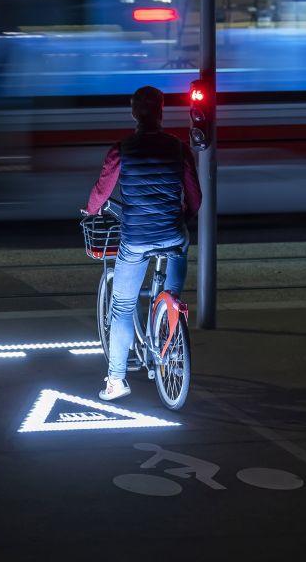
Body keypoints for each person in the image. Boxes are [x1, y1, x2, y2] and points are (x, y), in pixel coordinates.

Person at [84, 86, 201, 401]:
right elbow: (195, 197)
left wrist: (90, 211)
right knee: (172, 293)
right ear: (162, 112)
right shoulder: (179, 148)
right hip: (173, 237)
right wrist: (184, 217)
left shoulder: (121, 150)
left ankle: (116, 380)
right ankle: (170, 340)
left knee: (122, 308)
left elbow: (102, 190)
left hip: (136, 240)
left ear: (134, 113)